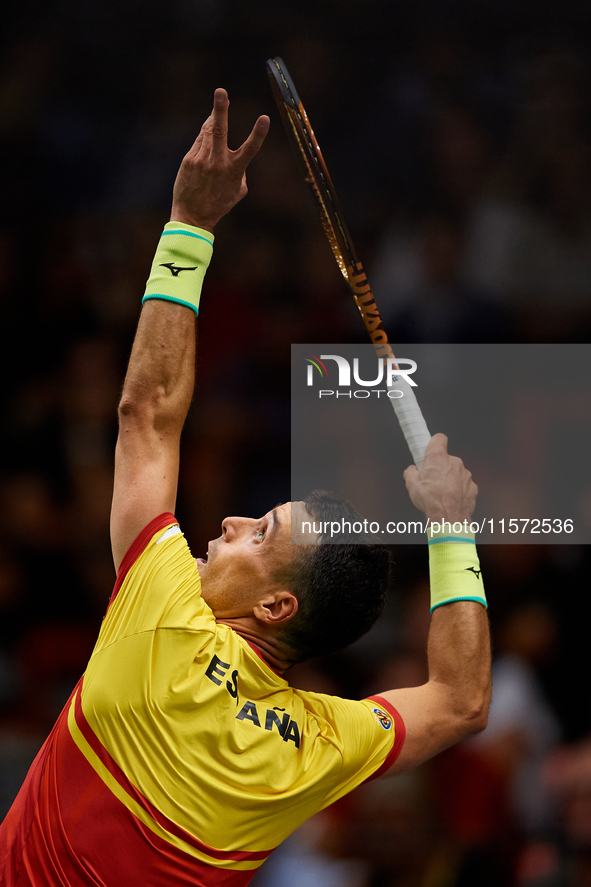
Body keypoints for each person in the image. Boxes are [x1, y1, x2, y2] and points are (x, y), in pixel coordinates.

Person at [0, 88, 491, 887]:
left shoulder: (164, 616)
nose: (227, 521)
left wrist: (188, 228)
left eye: (259, 532)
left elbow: (146, 415)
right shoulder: (320, 744)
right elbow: (461, 699)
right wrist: (451, 524)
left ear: (275, 606)